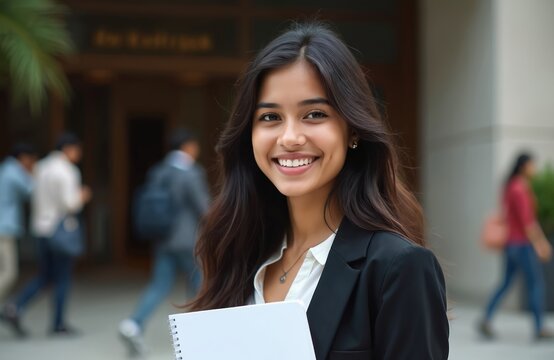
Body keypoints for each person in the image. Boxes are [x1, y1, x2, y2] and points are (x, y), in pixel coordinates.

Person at [188, 22, 449, 359]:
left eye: (314, 114)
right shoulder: (237, 253)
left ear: (352, 129)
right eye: (270, 117)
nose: (290, 138)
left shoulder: (399, 269)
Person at [119, 130, 210, 357]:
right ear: (188, 146)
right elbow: (204, 207)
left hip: (162, 238)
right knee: (198, 286)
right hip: (188, 240)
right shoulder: (191, 172)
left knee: (159, 284)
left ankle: (133, 323)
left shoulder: (158, 171)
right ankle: (195, 337)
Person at [0, 133, 92, 337]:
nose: (79, 154)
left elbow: (33, 195)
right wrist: (82, 196)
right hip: (59, 229)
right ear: (69, 149)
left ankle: (15, 307)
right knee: (62, 278)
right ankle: (58, 323)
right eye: (78, 149)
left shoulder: (41, 167)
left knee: (45, 275)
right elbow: (70, 204)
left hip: (41, 229)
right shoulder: (68, 171)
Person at [479, 153, 553, 340]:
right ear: (524, 166)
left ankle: (486, 317)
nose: (534, 168)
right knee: (536, 284)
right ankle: (539, 328)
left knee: (505, 283)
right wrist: (541, 243)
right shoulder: (520, 188)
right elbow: (528, 222)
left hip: (510, 245)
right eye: (532, 165)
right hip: (522, 245)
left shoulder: (511, 186)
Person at [0, 143, 37, 300]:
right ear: (23, 158)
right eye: (31, 161)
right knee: (9, 272)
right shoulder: (13, 171)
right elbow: (33, 190)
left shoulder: (5, 169)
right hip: (4, 228)